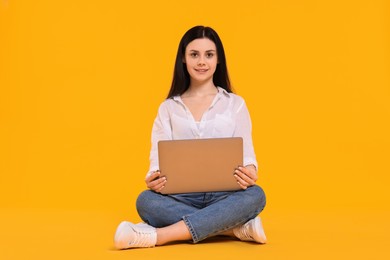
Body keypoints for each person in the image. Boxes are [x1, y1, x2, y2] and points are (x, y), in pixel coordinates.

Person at [114, 25, 267, 249]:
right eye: (194, 54)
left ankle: (158, 236)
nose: (202, 62)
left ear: (218, 60)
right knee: (146, 201)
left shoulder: (235, 104)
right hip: (182, 196)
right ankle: (232, 228)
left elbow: (248, 156)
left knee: (257, 195)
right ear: (184, 60)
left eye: (209, 55)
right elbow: (157, 157)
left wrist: (250, 171)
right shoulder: (168, 108)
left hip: (224, 195)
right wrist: (154, 177)